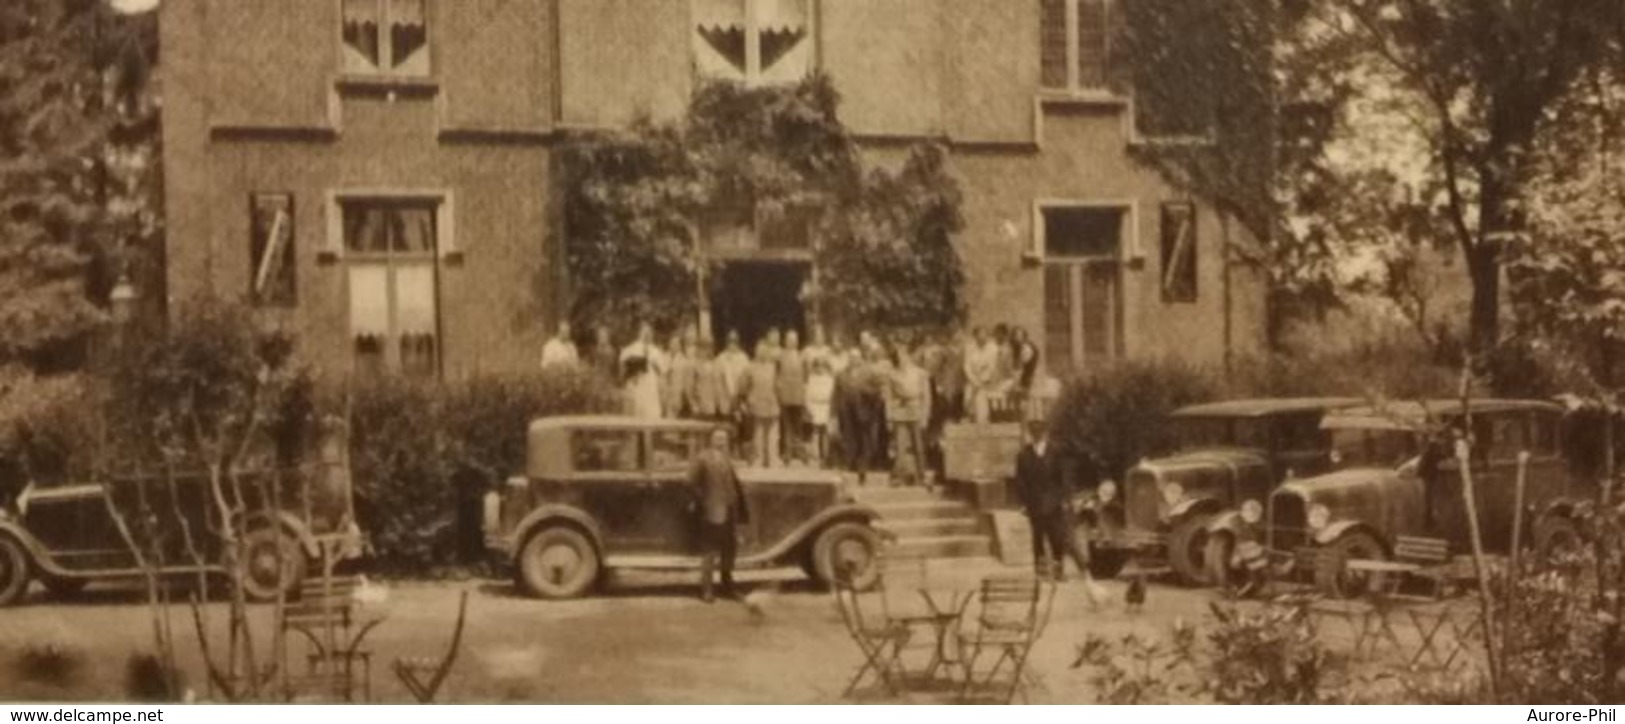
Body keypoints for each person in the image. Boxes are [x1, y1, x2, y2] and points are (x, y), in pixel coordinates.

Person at [1015, 418, 1092, 581]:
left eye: (1039, 432)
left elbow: (1064, 477)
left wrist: (1065, 499)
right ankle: (1040, 571)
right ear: (1030, 434)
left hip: (1054, 502)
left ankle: (1058, 570)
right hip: (1034, 503)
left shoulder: (1055, 452)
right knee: (1037, 537)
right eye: (1033, 433)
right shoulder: (1023, 455)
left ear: (1045, 433)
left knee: (1056, 537)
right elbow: (1021, 481)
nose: (1036, 436)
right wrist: (1023, 503)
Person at [691, 426, 749, 602]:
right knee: (709, 552)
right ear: (711, 440)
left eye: (724, 439)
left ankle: (728, 585)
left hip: (730, 510)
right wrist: (704, 502)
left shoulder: (727, 458)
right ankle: (707, 589)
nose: (721, 442)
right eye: (717, 438)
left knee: (729, 549)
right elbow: (689, 482)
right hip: (712, 510)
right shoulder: (702, 458)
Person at [888, 345, 932, 487]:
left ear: (908, 356)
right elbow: (888, 397)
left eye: (903, 355)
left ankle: (922, 474)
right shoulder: (892, 374)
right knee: (900, 447)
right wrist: (889, 416)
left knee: (918, 445)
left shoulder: (920, 373)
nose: (901, 359)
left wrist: (925, 415)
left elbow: (926, 396)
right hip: (900, 412)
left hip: (916, 410)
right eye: (898, 356)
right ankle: (898, 476)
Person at [735, 340, 781, 467]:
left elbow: (778, 386)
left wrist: (779, 399)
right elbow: (742, 387)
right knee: (758, 434)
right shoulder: (750, 367)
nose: (762, 353)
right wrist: (744, 402)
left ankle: (772, 459)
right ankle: (759, 459)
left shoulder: (773, 367)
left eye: (765, 351)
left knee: (773, 434)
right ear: (755, 352)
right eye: (759, 351)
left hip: (772, 403)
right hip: (756, 404)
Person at [621, 322, 666, 420]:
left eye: (649, 332)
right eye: (644, 332)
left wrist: (655, 365)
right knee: (638, 409)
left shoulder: (656, 350)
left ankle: (649, 434)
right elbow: (624, 361)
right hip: (638, 383)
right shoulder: (632, 348)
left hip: (651, 384)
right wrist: (631, 374)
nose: (646, 335)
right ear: (640, 333)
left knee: (651, 411)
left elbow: (662, 370)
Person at [777, 330, 808, 464]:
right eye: (790, 339)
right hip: (786, 396)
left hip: (798, 396)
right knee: (787, 426)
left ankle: (799, 452)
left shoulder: (802, 357)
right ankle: (787, 453)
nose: (792, 342)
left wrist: (804, 393)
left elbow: (806, 377)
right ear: (786, 341)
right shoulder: (781, 357)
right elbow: (777, 376)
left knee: (798, 426)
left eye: (794, 339)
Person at [689, 339, 729, 424]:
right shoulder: (695, 365)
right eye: (704, 349)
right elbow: (691, 388)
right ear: (699, 350)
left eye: (710, 348)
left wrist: (724, 404)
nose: (707, 351)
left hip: (718, 407)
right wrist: (695, 405)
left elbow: (723, 385)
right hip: (703, 407)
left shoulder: (718, 364)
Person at [964, 327, 999, 424]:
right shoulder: (970, 347)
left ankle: (982, 420)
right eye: (979, 335)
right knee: (968, 395)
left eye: (984, 335)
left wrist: (982, 380)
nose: (982, 338)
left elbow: (992, 367)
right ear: (975, 337)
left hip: (988, 381)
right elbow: (967, 366)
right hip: (973, 381)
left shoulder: (993, 348)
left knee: (981, 396)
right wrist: (974, 380)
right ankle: (971, 417)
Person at [805, 357, 835, 466]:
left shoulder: (829, 379)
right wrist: (809, 408)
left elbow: (832, 395)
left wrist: (831, 408)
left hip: (826, 406)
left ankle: (825, 455)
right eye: (817, 366)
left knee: (826, 432)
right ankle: (815, 455)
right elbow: (807, 395)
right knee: (815, 431)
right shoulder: (811, 379)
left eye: (822, 366)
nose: (820, 369)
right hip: (815, 406)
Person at [664, 334, 697, 419]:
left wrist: (684, 399)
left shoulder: (684, 362)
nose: (673, 346)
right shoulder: (664, 357)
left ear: (680, 346)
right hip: (664, 396)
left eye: (676, 344)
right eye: (672, 343)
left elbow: (687, 384)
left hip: (677, 397)